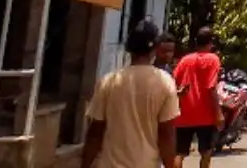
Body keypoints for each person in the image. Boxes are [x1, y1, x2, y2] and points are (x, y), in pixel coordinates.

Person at [82, 19, 179, 168]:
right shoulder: (165, 83)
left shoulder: (109, 81)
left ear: (129, 48)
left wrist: (85, 165)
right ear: (154, 50)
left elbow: (95, 132)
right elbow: (166, 134)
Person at [171, 26, 224, 168]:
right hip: (205, 115)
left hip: (184, 114)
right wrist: (218, 113)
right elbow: (211, 87)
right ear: (211, 43)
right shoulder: (213, 59)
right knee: (206, 153)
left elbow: (173, 82)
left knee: (179, 153)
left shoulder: (185, 60)